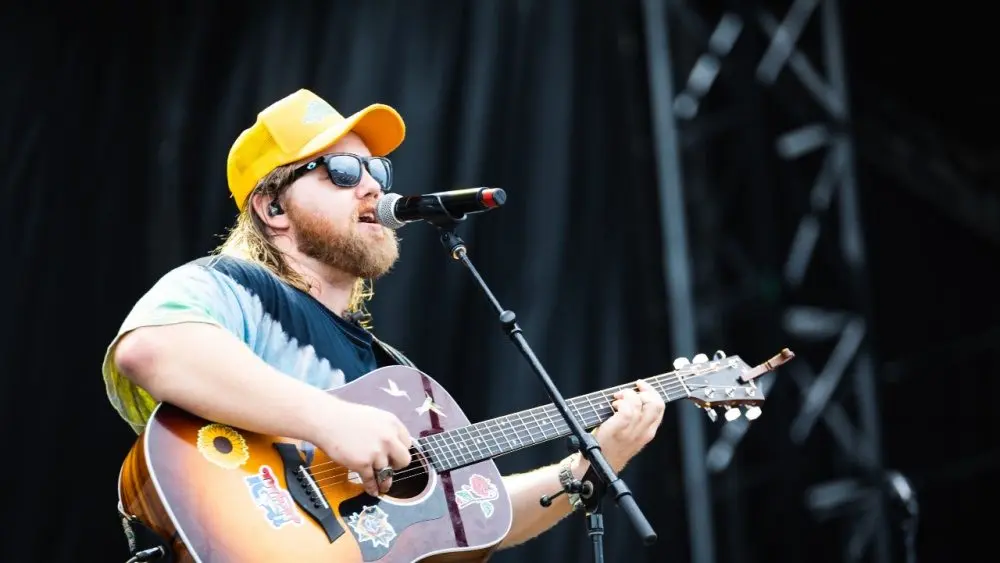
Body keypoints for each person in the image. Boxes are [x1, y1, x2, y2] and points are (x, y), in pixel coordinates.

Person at [102, 88, 666, 550]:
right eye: (343, 170)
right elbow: (151, 349)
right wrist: (327, 420)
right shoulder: (231, 287)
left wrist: (590, 464)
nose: (373, 185)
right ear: (273, 208)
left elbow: (473, 521)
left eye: (378, 168)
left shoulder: (389, 376)